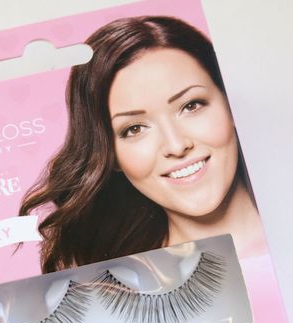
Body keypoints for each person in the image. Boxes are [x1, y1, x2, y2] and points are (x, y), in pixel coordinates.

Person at [19, 15, 268, 273]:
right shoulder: (118, 286)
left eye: (191, 105)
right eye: (134, 129)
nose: (176, 145)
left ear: (229, 105)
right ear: (111, 155)